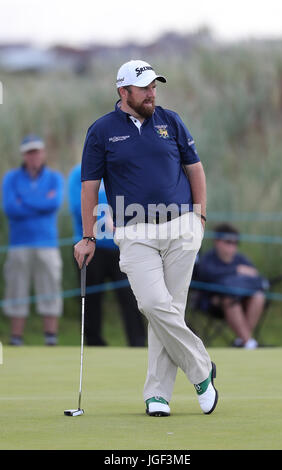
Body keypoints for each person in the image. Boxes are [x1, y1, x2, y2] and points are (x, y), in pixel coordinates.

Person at [74, 59, 218, 417]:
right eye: (145, 88)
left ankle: (157, 395)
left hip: (181, 227)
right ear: (124, 92)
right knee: (154, 305)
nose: (152, 93)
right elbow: (89, 187)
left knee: (170, 310)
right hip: (134, 230)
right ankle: (202, 369)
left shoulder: (170, 121)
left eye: (155, 87)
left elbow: (194, 168)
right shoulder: (102, 131)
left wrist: (199, 216)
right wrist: (88, 236)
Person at [68, 163, 146, 346]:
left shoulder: (121, 168)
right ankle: (93, 342)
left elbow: (136, 199)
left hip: (123, 247)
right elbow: (76, 205)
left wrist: (120, 216)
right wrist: (105, 217)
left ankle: (137, 342)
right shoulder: (78, 173)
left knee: (131, 298)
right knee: (92, 299)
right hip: (92, 248)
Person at [2, 134, 64, 346]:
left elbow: (53, 204)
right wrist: (39, 202)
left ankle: (50, 338)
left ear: (43, 153)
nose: (34, 155)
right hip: (19, 244)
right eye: (29, 152)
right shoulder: (11, 178)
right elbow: (11, 208)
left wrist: (25, 200)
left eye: (37, 151)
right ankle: (16, 338)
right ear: (24, 155)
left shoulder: (54, 178)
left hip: (47, 244)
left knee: (50, 289)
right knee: (16, 290)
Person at [195, 223, 267, 349]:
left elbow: (256, 278)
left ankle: (243, 341)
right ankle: (249, 343)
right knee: (230, 299)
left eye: (235, 243)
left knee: (258, 296)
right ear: (217, 242)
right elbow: (206, 276)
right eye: (228, 242)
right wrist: (236, 270)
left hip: (243, 300)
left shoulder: (241, 259)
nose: (232, 246)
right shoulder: (208, 260)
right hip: (214, 303)